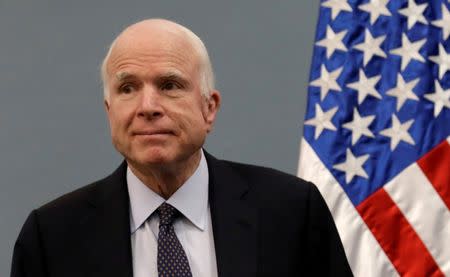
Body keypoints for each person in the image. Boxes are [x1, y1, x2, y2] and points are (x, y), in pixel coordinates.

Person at [10, 19, 353, 277]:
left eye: (169, 85)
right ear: (109, 110)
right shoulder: (51, 237)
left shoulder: (293, 212)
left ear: (209, 108)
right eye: (127, 88)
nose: (147, 106)